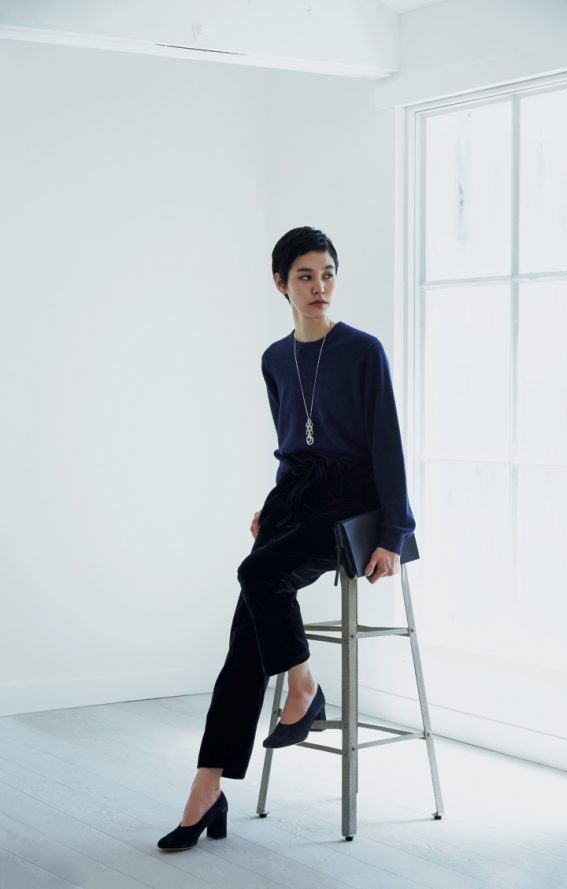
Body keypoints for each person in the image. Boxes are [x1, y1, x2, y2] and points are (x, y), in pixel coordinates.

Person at [157, 226, 416, 851]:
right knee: (244, 642)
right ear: (281, 283)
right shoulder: (275, 359)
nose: (319, 286)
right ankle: (207, 786)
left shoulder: (364, 350)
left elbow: (388, 444)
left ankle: (304, 687)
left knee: (257, 574)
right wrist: (272, 506)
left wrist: (394, 531)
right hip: (297, 498)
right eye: (305, 276)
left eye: (327, 274)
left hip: (352, 507)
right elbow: (292, 443)